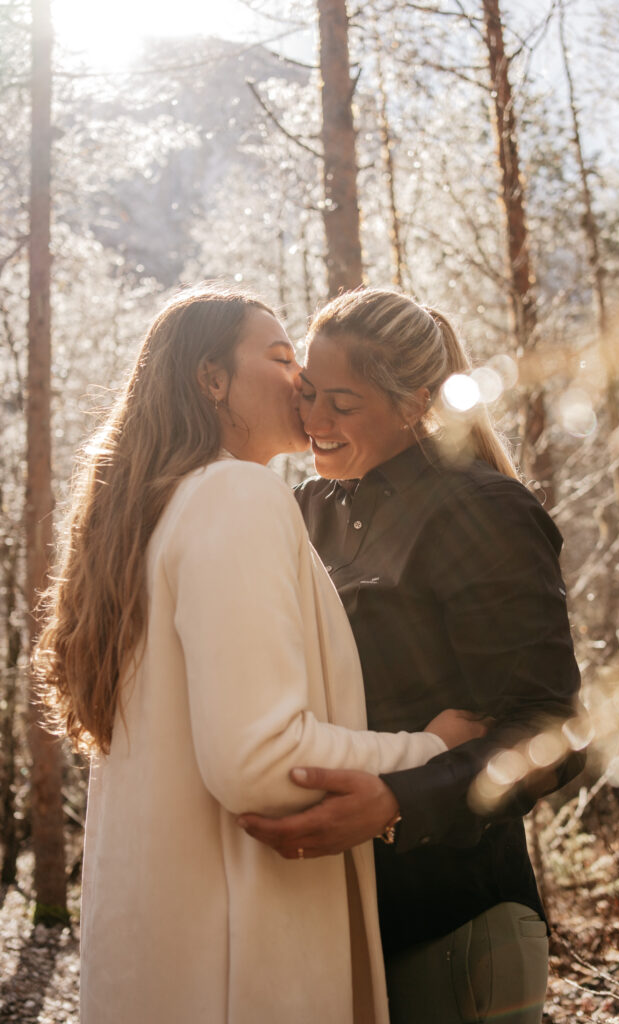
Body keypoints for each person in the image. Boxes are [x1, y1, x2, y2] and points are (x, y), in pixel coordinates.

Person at [32, 286, 471, 1024]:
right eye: (278, 356)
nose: (300, 378)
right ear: (211, 380)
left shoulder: (153, 516)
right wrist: (431, 750)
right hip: (238, 971)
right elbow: (262, 761)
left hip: (161, 967)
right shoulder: (235, 495)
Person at [238, 289, 586, 1024]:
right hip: (333, 926)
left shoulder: (478, 509)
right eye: (307, 395)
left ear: (413, 403)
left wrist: (398, 800)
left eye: (342, 402)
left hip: (453, 925)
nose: (314, 421)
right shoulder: (303, 512)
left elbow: (549, 727)